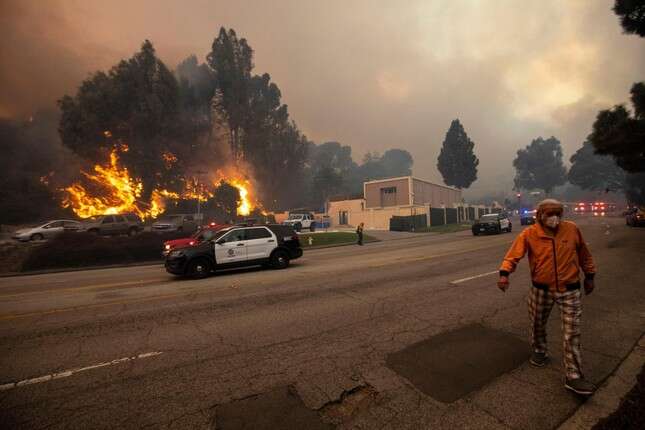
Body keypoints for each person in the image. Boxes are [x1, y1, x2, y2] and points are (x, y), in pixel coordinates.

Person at [497, 199, 597, 395]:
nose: (554, 218)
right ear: (540, 215)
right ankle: (540, 350)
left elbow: (585, 255)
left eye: (557, 213)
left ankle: (574, 376)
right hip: (541, 289)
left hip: (570, 289)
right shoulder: (530, 233)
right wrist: (504, 274)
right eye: (549, 214)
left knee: (572, 332)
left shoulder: (572, 229)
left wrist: (590, 276)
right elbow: (513, 255)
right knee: (537, 322)